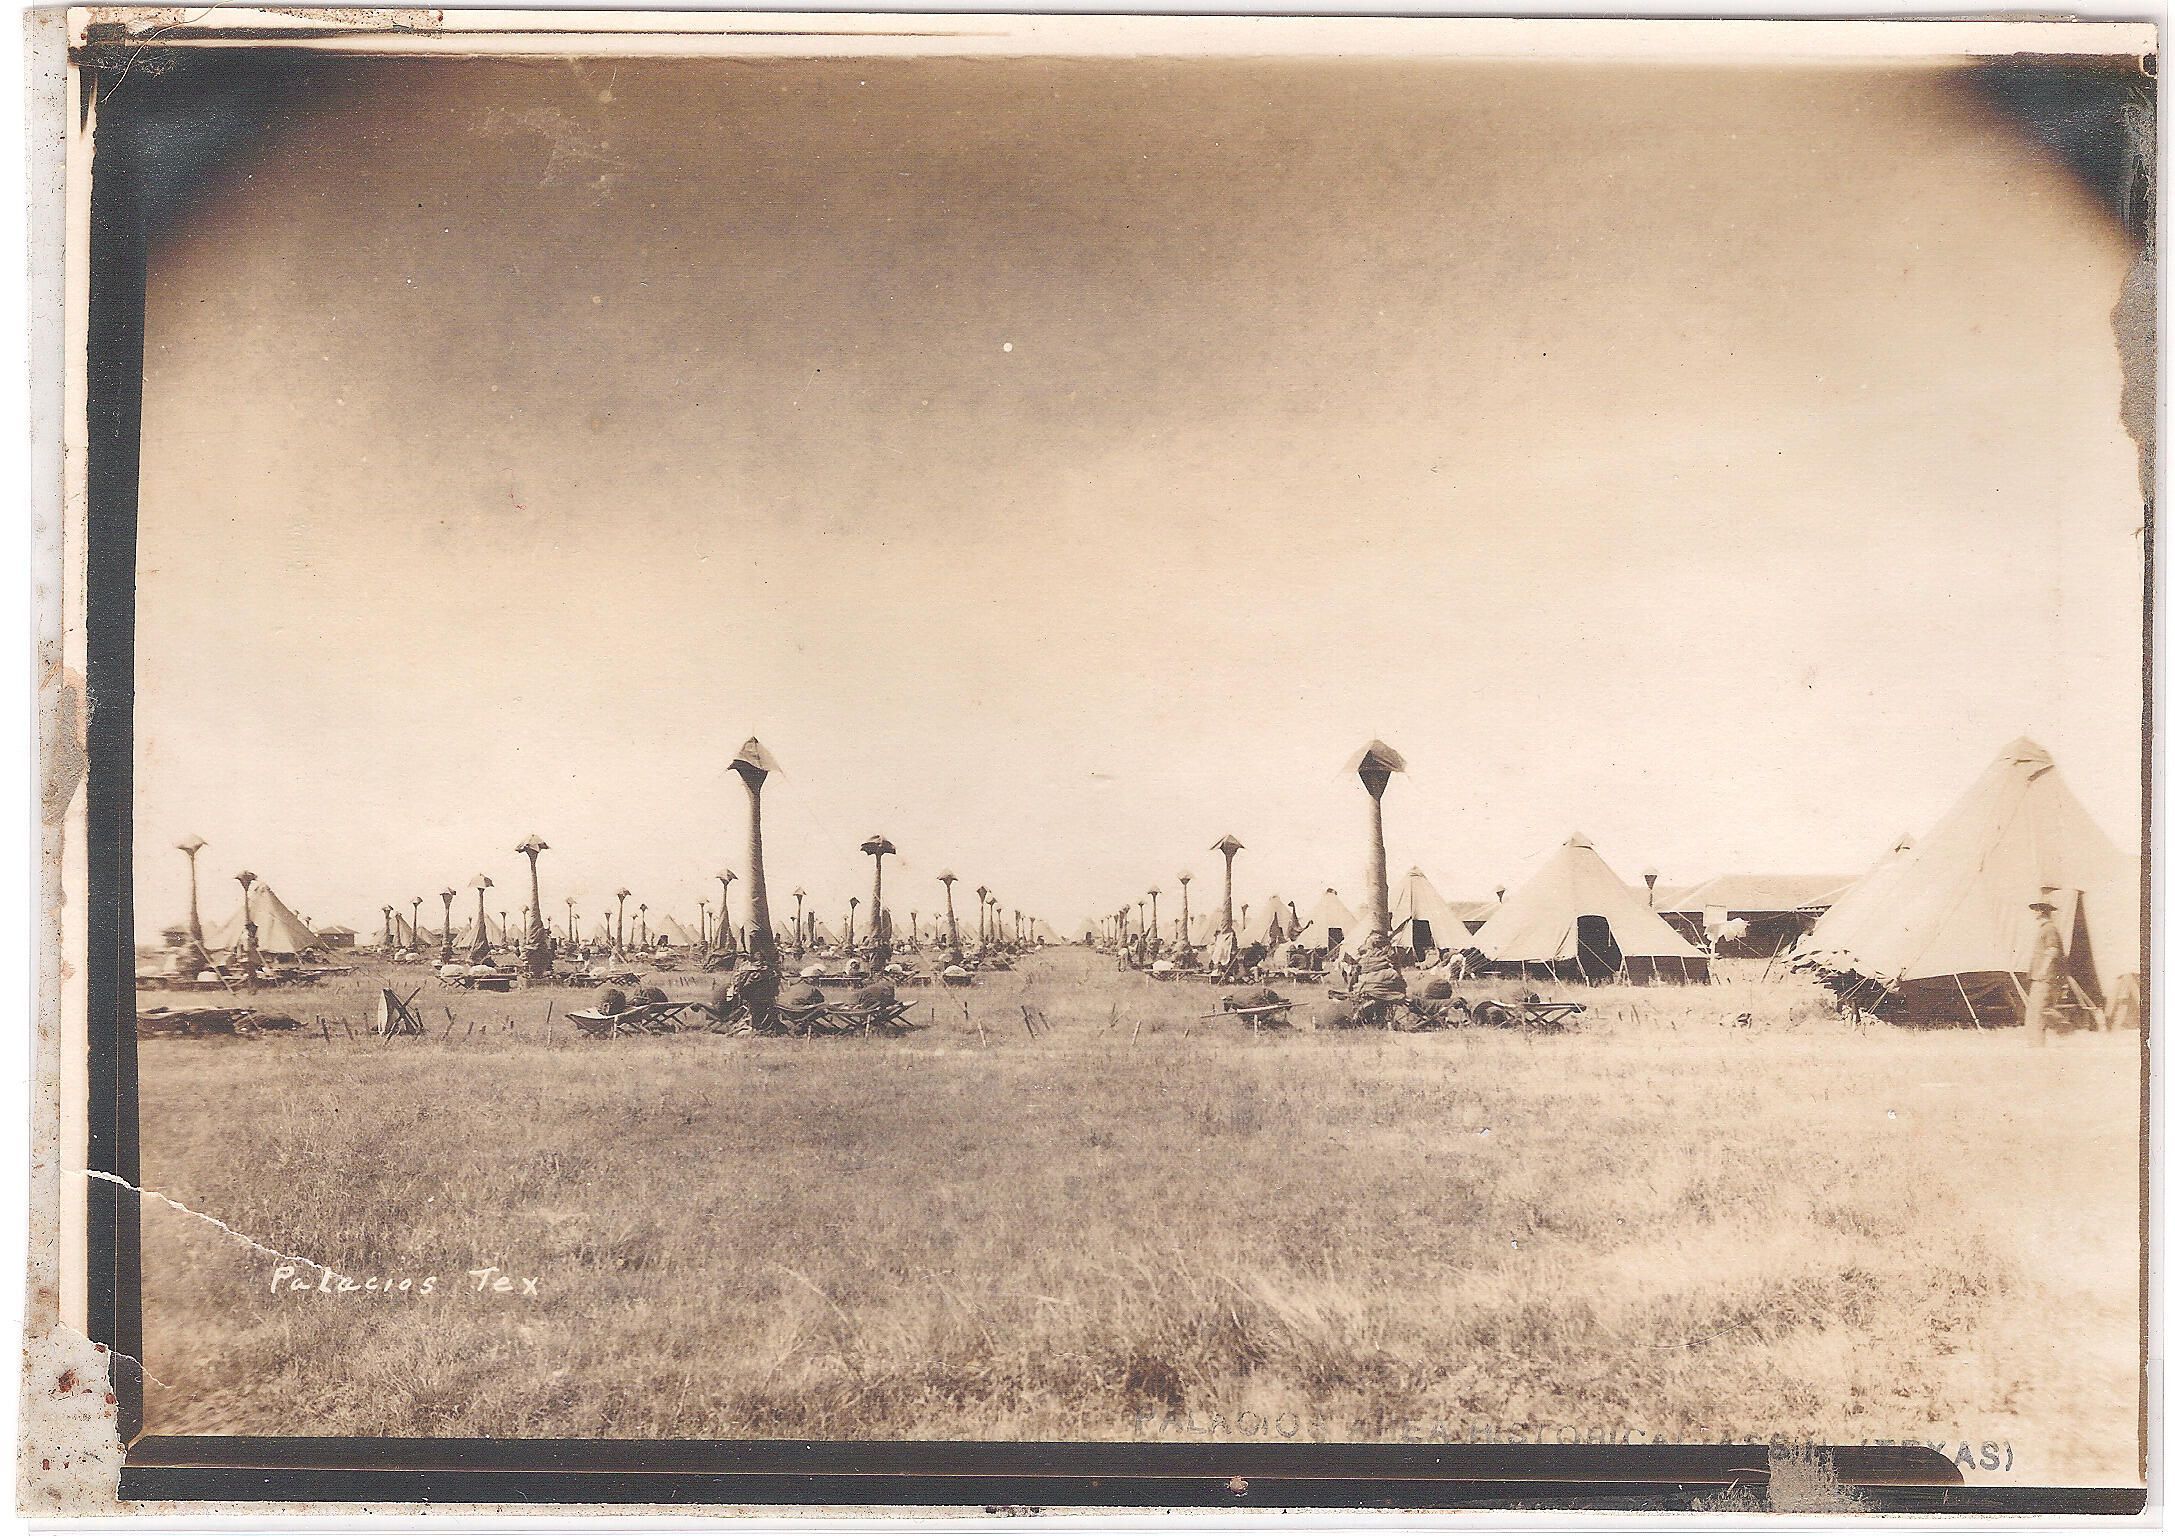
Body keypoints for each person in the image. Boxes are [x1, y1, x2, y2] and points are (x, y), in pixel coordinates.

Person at [2025, 897, 2067, 1046]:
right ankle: (2035, 1043)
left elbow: (2053, 950)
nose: (2033, 912)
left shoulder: (2049, 928)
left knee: (2039, 1011)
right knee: (2036, 1011)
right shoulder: (2044, 928)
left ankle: (2063, 1028)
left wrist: (2043, 970)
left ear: (2041, 911)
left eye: (2035, 909)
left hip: (2045, 978)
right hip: (2039, 977)